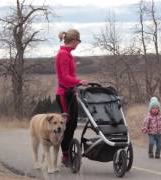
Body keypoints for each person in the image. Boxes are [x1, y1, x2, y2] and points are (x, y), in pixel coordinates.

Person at [55, 29, 88, 166]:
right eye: (78, 41)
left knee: (72, 124)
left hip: (70, 93)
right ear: (74, 40)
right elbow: (64, 77)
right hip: (64, 95)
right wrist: (78, 82)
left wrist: (76, 84)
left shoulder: (68, 54)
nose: (78, 44)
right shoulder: (63, 54)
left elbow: (70, 76)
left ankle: (67, 152)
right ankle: (65, 156)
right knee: (67, 125)